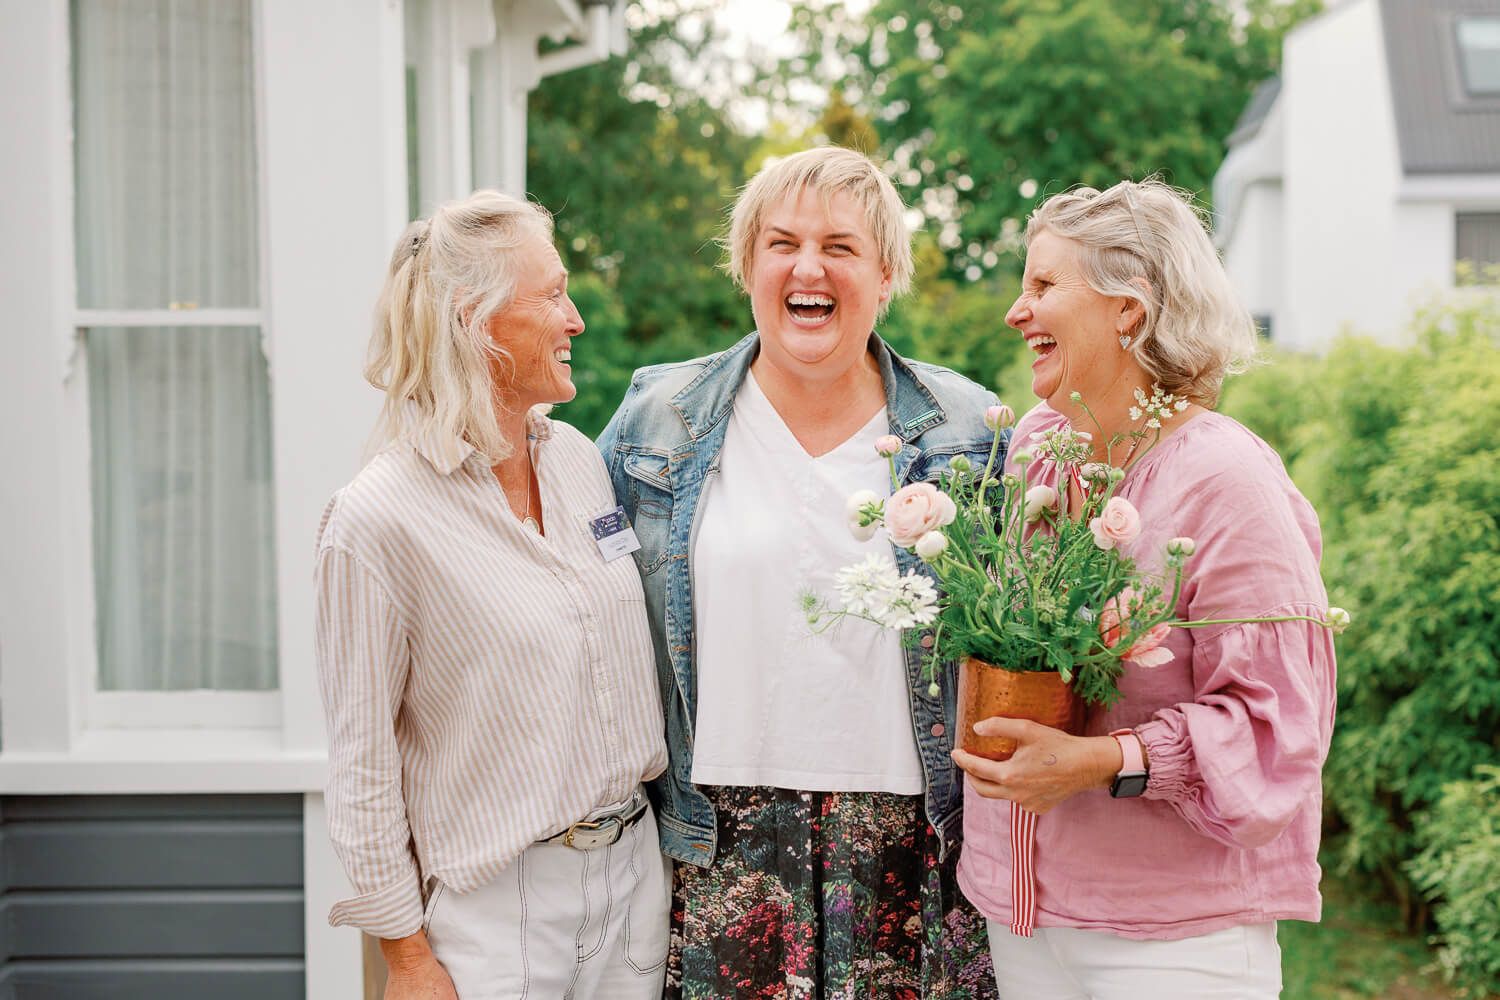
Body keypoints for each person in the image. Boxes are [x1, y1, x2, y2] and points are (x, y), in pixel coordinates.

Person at [598, 146, 1001, 998]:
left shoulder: (968, 428)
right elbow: (577, 604)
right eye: (780, 243)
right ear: (746, 265)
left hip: (915, 844)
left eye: (841, 247)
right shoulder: (658, 420)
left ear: (886, 273)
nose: (807, 267)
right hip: (717, 844)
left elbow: (1013, 647)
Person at [951, 179, 1337, 999]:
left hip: (1175, 941)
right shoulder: (1036, 448)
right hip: (1021, 919)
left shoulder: (1228, 478)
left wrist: (1101, 763)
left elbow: (1279, 728)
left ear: (1130, 307)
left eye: (1044, 285)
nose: (1017, 313)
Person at [315, 190, 669, 999]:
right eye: (551, 295)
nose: (575, 319)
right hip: (497, 910)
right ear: (475, 321)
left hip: (633, 880)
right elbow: (362, 769)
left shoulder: (579, 460)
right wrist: (404, 960)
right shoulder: (375, 521)